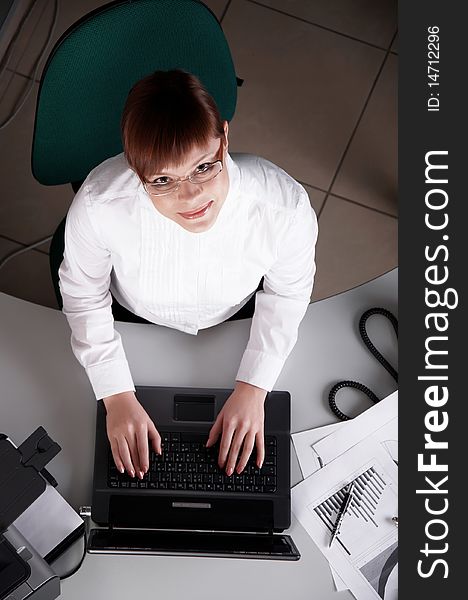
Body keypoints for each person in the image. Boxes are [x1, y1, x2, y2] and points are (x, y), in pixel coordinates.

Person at [59, 69, 318, 482]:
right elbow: (83, 293)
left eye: (203, 167)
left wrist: (254, 388)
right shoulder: (98, 202)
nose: (192, 196)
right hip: (132, 317)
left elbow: (287, 294)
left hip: (236, 314)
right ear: (135, 168)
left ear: (224, 139)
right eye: (163, 180)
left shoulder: (283, 207)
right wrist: (115, 393)